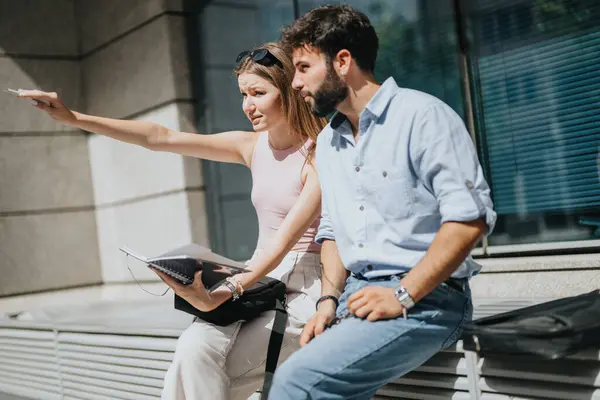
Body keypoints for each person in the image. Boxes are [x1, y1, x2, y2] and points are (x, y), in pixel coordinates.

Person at [18, 42, 327, 400]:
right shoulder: (252, 146)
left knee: (222, 371)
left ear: (289, 89)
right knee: (192, 351)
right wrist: (74, 118)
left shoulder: (320, 154)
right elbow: (160, 138)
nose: (247, 105)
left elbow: (284, 241)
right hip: (257, 279)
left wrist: (229, 289)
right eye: (243, 94)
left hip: (304, 287)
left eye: (258, 93)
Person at [268, 5, 497, 399]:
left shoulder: (422, 116)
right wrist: (327, 301)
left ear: (342, 62)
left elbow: (468, 220)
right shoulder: (327, 142)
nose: (295, 84)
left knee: (296, 383)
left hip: (427, 302)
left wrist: (403, 293)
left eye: (303, 68)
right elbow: (333, 233)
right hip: (356, 299)